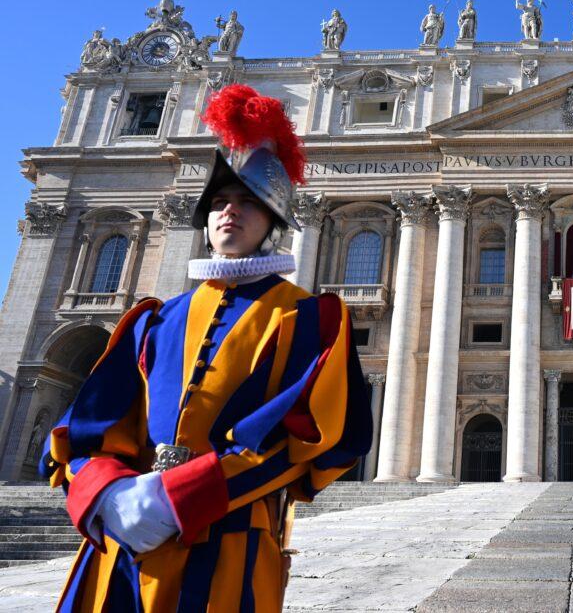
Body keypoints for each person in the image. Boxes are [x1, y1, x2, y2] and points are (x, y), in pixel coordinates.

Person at [41, 84, 373, 611]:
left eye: (247, 203)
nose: (229, 213)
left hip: (230, 537)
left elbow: (313, 433)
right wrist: (107, 493)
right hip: (123, 544)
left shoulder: (310, 318)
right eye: (218, 202)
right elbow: (86, 428)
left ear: (273, 223)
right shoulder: (153, 318)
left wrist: (179, 499)